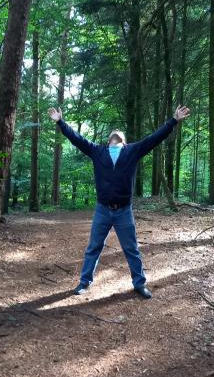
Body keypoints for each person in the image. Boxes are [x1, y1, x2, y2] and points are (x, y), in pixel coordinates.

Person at [48, 104, 191, 299]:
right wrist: (60, 122)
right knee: (93, 247)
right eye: (112, 133)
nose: (115, 132)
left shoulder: (133, 150)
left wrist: (173, 121)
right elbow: (77, 139)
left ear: (123, 140)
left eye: (118, 132)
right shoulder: (97, 151)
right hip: (102, 210)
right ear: (108, 140)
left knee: (131, 249)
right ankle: (84, 282)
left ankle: (139, 283)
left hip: (124, 211)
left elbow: (154, 138)